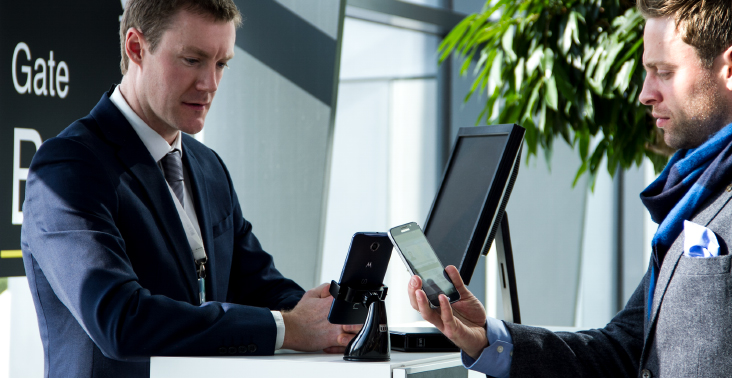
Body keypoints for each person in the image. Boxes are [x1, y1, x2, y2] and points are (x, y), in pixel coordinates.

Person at [20, 1, 358, 377]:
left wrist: (326, 318)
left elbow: (256, 282)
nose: (209, 83)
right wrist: (288, 328)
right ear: (136, 48)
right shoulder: (68, 166)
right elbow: (121, 321)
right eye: (192, 60)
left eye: (221, 63)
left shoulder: (208, 166)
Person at [408, 0, 732, 377]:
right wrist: (485, 338)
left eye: (664, 72)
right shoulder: (693, 198)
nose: (645, 94)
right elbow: (623, 349)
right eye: (648, 72)